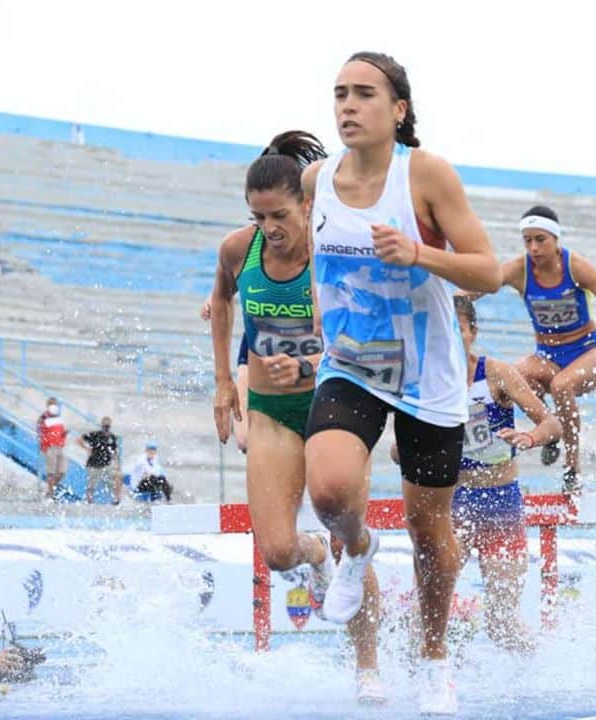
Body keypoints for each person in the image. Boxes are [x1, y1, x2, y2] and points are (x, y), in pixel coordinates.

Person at [302, 51, 501, 715]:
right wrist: (317, 327)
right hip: (356, 362)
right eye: (339, 95)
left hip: (428, 374)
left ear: (399, 109)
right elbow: (316, 262)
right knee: (329, 490)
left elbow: (487, 272)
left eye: (363, 94)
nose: (348, 107)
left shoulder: (427, 174)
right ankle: (357, 548)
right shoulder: (316, 179)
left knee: (429, 528)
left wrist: (420, 253)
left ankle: (435, 656)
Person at [209, 130, 385, 704]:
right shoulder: (239, 250)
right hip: (271, 412)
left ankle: (367, 666)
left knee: (345, 533)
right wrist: (221, 382)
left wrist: (307, 363)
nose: (269, 228)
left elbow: (357, 339)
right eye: (258, 217)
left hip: (332, 403)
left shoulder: (330, 253)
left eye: (279, 215)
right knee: (278, 551)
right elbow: (221, 302)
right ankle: (312, 555)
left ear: (307, 204)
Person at [420, 295, 561, 653]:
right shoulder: (426, 380)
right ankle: (414, 681)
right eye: (442, 329)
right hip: (453, 506)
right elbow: (397, 450)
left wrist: (529, 437)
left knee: (502, 623)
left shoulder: (496, 373)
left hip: (501, 505)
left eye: (458, 329)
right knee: (428, 613)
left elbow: (552, 423)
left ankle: (547, 671)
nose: (450, 337)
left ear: (473, 332)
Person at [496, 205, 596, 494]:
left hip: (588, 352)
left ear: (556, 239)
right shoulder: (519, 270)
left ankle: (572, 469)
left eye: (540, 240)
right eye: (528, 240)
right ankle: (550, 432)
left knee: (561, 385)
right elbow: (477, 287)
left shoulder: (576, 267)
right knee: (511, 376)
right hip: (547, 355)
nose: (533, 247)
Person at [201, 297, 249, 453]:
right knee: (244, 439)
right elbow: (228, 282)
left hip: (309, 342)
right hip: (258, 337)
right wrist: (217, 296)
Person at [78, 416, 122, 505]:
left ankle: (117, 499)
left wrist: (117, 464)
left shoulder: (112, 437)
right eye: (105, 425)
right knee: (91, 484)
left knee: (115, 479)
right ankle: (89, 500)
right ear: (102, 425)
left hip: (106, 464)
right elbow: (79, 439)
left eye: (108, 425)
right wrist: (87, 449)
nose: (106, 427)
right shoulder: (95, 435)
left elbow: (114, 452)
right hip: (94, 463)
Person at [36, 397, 68, 500]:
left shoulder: (59, 418)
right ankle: (51, 493)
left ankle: (51, 489)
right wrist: (44, 445)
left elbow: (60, 432)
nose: (54, 406)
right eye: (52, 404)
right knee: (51, 472)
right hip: (50, 447)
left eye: (55, 404)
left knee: (62, 472)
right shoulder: (44, 417)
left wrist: (64, 434)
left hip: (60, 446)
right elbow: (40, 431)